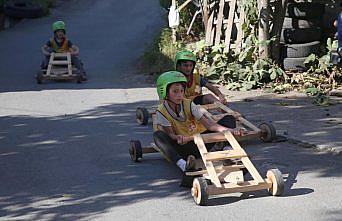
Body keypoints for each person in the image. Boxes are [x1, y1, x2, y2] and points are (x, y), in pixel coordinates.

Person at [153, 71, 241, 187]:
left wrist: (228, 131)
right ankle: (184, 165)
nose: (180, 95)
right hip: (183, 147)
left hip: (201, 141)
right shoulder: (161, 111)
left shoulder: (189, 104)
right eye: (175, 92)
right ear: (164, 92)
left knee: (229, 119)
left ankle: (228, 153)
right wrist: (178, 137)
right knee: (158, 135)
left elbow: (210, 125)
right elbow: (171, 135)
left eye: (181, 91)